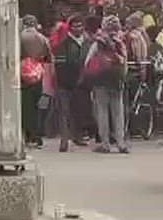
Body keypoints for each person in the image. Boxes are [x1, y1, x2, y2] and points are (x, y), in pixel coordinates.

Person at [87, 15, 129, 153]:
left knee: (102, 111)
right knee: (118, 113)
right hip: (116, 80)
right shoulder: (120, 43)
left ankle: (105, 144)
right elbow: (124, 64)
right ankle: (121, 143)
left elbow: (88, 62)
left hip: (101, 80)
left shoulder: (98, 43)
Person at [52, 15, 90, 152]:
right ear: (70, 28)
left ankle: (78, 136)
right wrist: (66, 81)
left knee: (79, 111)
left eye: (80, 26)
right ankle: (64, 140)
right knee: (64, 112)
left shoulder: (87, 43)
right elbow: (59, 65)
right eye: (75, 26)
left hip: (82, 84)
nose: (77, 28)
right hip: (65, 84)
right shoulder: (63, 45)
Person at [19, 15, 51, 148]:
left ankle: (28, 135)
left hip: (22, 75)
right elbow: (48, 58)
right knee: (37, 106)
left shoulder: (19, 37)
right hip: (37, 74)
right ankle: (37, 135)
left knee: (26, 107)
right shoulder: (42, 38)